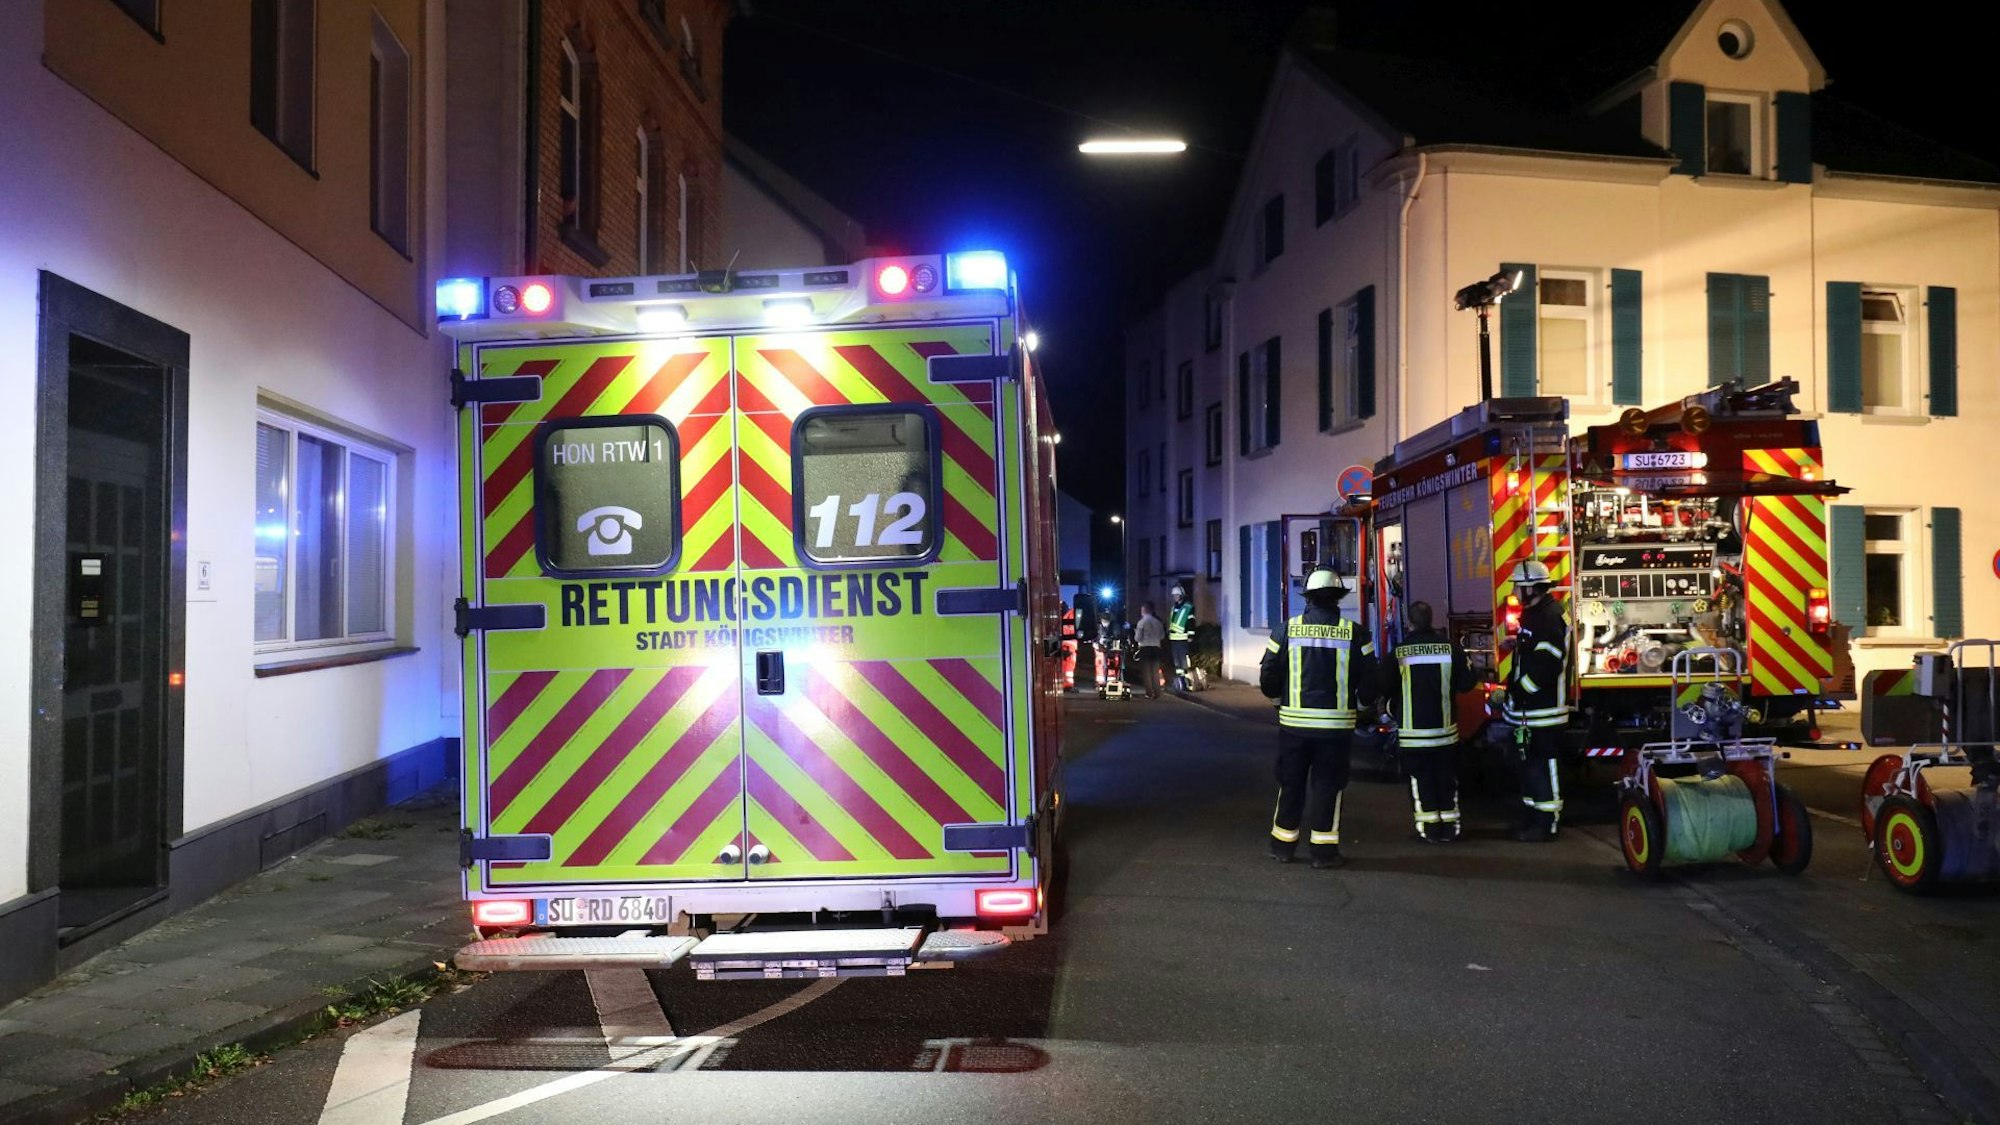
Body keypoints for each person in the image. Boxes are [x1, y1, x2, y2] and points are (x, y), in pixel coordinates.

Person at [1259, 567, 1377, 868]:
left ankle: (1282, 847)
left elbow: (1268, 675)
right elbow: (1370, 680)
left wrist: (1277, 703)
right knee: (1328, 786)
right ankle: (1323, 853)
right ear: (1338, 597)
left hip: (1294, 727)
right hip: (1336, 729)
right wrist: (1362, 707)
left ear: (1307, 598)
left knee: (1291, 784)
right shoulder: (1356, 633)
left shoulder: (1285, 629)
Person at [1391, 601, 1474, 842]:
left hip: (1413, 735)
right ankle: (1450, 828)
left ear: (1410, 622)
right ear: (1431, 620)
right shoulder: (1451, 650)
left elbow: (1384, 685)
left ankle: (1429, 830)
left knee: (1420, 780)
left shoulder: (1399, 651)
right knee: (1446, 779)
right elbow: (1467, 683)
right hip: (1445, 732)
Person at [1503, 560, 1571, 842]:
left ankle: (1547, 823)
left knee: (1544, 765)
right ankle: (1532, 817)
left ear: (1532, 588)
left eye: (1519, 586)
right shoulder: (1536, 614)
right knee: (1528, 765)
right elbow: (1535, 650)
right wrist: (1516, 643)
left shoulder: (1548, 617)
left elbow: (1547, 664)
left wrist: (1521, 690)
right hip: (1530, 711)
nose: (1516, 592)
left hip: (1543, 708)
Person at [1132, 602, 1166, 699]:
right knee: (1155, 671)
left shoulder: (1141, 622)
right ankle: (1157, 692)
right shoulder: (1158, 622)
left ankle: (1149, 693)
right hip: (1156, 647)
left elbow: (1137, 638)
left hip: (1145, 647)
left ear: (1144, 610)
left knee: (1146, 671)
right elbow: (1162, 636)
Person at [1167, 586, 1196, 694]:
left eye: (1176, 595)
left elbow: (1191, 622)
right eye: (1174, 595)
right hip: (1174, 639)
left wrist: (1190, 635)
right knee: (1177, 663)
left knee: (1184, 662)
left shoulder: (1188, 607)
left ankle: (1188, 682)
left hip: (1183, 638)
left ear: (1181, 595)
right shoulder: (1174, 607)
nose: (1175, 597)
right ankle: (1181, 682)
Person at [1059, 602, 1079, 691]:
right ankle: (1067, 685)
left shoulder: (1066, 614)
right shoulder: (1072, 614)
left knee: (1066, 667)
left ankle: (1066, 684)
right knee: (1068, 668)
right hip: (1068, 646)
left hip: (1064, 645)